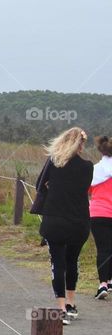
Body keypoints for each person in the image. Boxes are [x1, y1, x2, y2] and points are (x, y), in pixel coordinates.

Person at [36, 127, 93, 325]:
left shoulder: (53, 162)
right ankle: (71, 302)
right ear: (80, 145)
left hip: (55, 220)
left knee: (57, 263)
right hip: (79, 221)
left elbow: (39, 185)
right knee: (72, 261)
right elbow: (82, 189)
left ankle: (60, 308)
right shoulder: (88, 167)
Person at [90, 135, 112, 299]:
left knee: (103, 249)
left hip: (98, 213)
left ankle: (103, 284)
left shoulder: (95, 170)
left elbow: (87, 191)